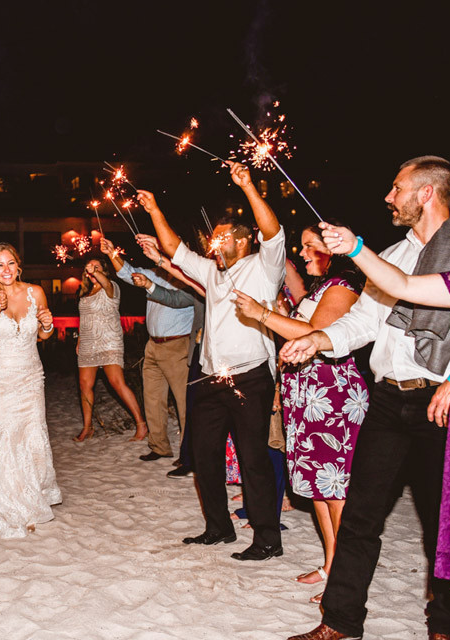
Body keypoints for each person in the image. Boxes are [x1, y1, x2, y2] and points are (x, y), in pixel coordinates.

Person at [283, 156, 450, 640]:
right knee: (361, 513)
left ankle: (446, 626)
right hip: (388, 401)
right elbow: (363, 321)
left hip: (441, 405)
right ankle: (339, 622)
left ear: (425, 193)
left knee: (444, 526)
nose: (388, 197)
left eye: (397, 188)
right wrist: (319, 340)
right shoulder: (394, 256)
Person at [143, 162, 285, 562]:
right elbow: (176, 251)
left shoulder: (263, 267)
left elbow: (273, 233)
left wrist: (249, 187)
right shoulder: (212, 271)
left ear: (242, 241)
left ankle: (267, 539)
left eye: (221, 238)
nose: (213, 243)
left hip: (250, 378)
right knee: (204, 457)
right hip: (209, 379)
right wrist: (154, 210)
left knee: (253, 459)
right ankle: (218, 528)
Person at [233, 224, 367, 602]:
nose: (305, 253)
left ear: (334, 250)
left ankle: (343, 579)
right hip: (305, 393)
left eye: (310, 246)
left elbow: (314, 332)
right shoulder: (318, 289)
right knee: (320, 492)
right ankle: (330, 564)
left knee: (336, 491)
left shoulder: (346, 287)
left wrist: (262, 314)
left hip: (332, 394)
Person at [0, 243, 60, 537]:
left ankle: (28, 499)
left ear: (18, 266)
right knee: (0, 434)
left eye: (10, 264)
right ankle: (2, 500)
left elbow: (42, 336)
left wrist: (48, 325)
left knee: (29, 434)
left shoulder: (36, 292)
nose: (5, 270)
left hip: (30, 375)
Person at [102, 236, 197, 460]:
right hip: (153, 345)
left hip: (177, 346)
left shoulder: (189, 280)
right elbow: (127, 272)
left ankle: (188, 454)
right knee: (153, 399)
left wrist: (149, 285)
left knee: (183, 403)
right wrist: (111, 253)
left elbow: (177, 300)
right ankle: (159, 447)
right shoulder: (154, 274)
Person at [73, 256, 148, 441]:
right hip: (88, 343)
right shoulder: (85, 292)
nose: (91, 270)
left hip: (109, 341)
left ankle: (141, 424)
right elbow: (84, 320)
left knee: (117, 382)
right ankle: (87, 427)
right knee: (84, 385)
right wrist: (80, 339)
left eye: (97, 267)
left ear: (104, 271)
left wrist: (95, 271)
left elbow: (105, 282)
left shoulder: (112, 287)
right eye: (89, 268)